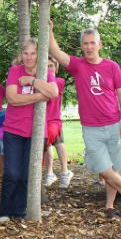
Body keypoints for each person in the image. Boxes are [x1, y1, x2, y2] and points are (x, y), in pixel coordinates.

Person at [49, 22, 121, 219]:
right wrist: (50, 31)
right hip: (91, 129)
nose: (89, 47)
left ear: (100, 45)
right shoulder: (78, 65)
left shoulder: (112, 66)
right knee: (104, 169)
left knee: (115, 168)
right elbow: (55, 52)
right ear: (81, 46)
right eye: (85, 43)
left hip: (115, 125)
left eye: (92, 43)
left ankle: (109, 206)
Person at [0, 39, 58, 221]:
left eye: (33, 53)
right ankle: (5, 211)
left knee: (26, 175)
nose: (29, 57)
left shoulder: (44, 73)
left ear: (38, 55)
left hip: (36, 132)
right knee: (12, 173)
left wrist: (32, 80)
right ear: (21, 54)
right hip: (14, 129)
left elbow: (54, 92)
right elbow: (12, 98)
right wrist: (41, 95)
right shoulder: (15, 71)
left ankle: (19, 211)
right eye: (25, 53)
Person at [44, 57, 74, 188]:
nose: (48, 69)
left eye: (51, 66)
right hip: (43, 121)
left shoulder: (59, 81)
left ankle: (65, 171)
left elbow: (49, 91)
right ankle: (50, 173)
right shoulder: (42, 82)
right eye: (46, 66)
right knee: (48, 146)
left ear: (56, 68)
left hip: (54, 120)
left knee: (58, 144)